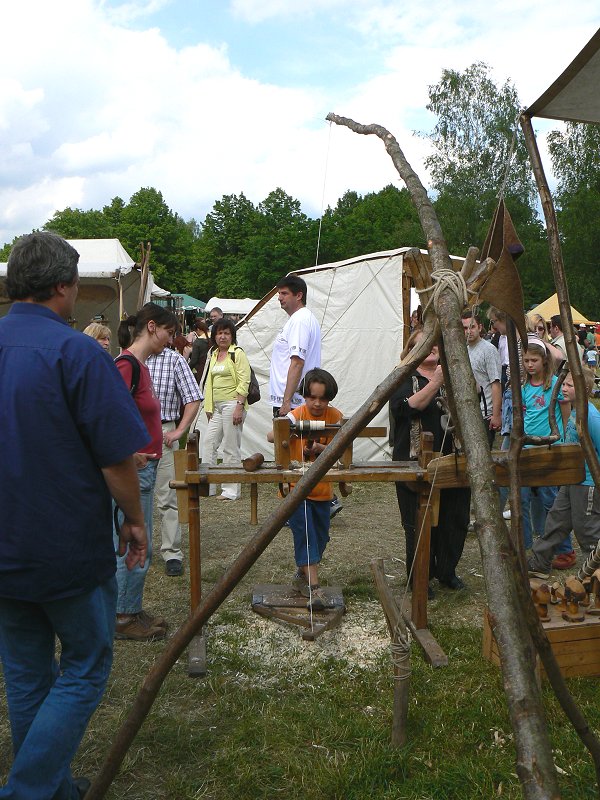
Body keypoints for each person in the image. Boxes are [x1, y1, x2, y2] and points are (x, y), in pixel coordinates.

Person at [0, 232, 149, 799]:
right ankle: (29, 790)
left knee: (27, 673)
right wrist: (134, 520)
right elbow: (116, 457)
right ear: (64, 286)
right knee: (86, 663)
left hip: (6, 547)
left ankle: (51, 788)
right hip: (62, 544)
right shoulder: (78, 352)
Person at [114, 303, 178, 639]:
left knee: (139, 541)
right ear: (152, 326)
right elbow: (108, 413)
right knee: (136, 542)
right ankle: (124, 616)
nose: (170, 340)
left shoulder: (140, 366)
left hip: (145, 467)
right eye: (169, 333)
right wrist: (129, 452)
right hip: (135, 470)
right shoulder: (127, 366)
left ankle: (129, 607)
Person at [390, 330, 470, 592]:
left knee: (453, 518)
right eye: (424, 343)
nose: (433, 347)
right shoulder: (402, 376)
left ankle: (447, 571)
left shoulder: (452, 374)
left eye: (435, 343)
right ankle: (419, 577)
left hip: (452, 458)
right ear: (412, 350)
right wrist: (435, 382)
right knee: (418, 521)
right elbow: (404, 408)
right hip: (414, 460)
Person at [267, 369, 342, 610]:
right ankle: (314, 589)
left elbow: (342, 449)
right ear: (305, 396)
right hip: (296, 489)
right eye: (312, 398)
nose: (318, 403)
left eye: (323, 398)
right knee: (306, 534)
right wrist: (290, 429)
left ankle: (301, 575)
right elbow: (272, 435)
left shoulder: (335, 417)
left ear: (329, 398)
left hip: (322, 491)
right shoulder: (295, 415)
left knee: (321, 537)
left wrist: (321, 449)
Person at [528, 367, 600, 578]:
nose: (564, 389)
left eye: (569, 385)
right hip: (571, 480)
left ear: (584, 388)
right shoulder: (575, 411)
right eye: (564, 384)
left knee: (587, 529)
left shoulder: (592, 418)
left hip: (587, 483)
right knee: (555, 521)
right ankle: (540, 563)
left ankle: (594, 573)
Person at [146, 336, 201, 575]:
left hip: (164, 429)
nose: (169, 336)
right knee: (136, 498)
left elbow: (193, 397)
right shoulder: (130, 358)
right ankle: (139, 552)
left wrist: (179, 430)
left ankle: (171, 553)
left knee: (168, 495)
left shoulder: (174, 360)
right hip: (134, 431)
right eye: (165, 330)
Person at [520, 335, 572, 557]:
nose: (530, 365)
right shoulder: (524, 387)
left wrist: (564, 437)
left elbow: (565, 411)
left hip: (550, 448)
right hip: (528, 447)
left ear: (543, 361)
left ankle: (563, 549)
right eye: (526, 361)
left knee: (551, 500)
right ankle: (528, 544)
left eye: (534, 360)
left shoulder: (553, 385)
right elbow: (524, 414)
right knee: (526, 499)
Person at [202, 317, 250, 500]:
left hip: (233, 404)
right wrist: (208, 406)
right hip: (217, 407)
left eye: (226, 333)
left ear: (232, 336)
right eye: (219, 333)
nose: (222, 336)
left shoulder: (237, 353)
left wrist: (239, 406)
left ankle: (231, 490)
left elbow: (244, 380)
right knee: (209, 443)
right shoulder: (213, 354)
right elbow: (209, 383)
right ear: (214, 335)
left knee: (230, 447)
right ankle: (209, 486)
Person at [461, 310, 502, 446]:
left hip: (485, 412)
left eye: (472, 327)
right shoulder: (464, 350)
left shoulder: (488, 350)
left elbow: (496, 383)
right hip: (469, 411)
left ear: (479, 327)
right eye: (465, 328)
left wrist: (496, 415)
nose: (469, 331)